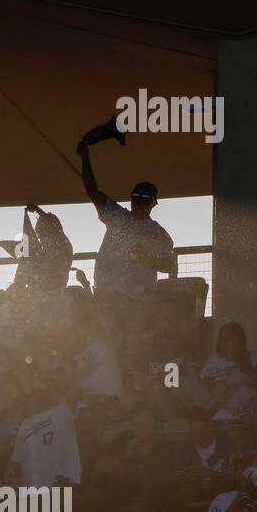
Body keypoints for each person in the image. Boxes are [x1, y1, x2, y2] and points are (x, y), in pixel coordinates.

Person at [76, 131, 175, 365]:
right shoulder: (116, 216)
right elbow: (92, 190)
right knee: (107, 348)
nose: (140, 202)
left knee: (132, 350)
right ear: (131, 199)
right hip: (108, 296)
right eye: (136, 198)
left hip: (137, 302)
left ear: (153, 203)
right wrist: (85, 158)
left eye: (145, 199)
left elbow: (169, 267)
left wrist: (146, 259)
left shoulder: (160, 234)